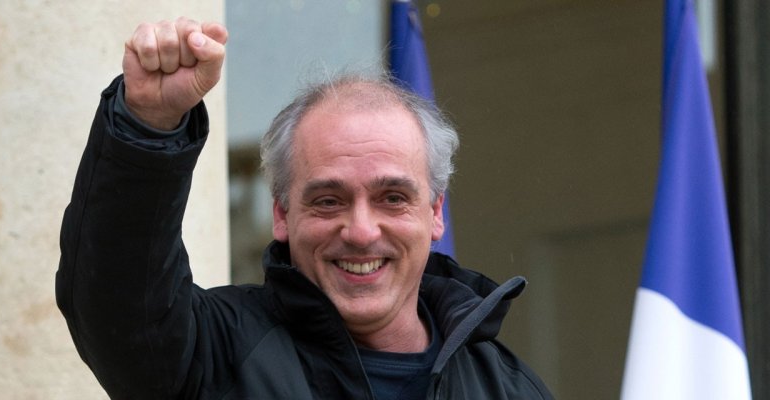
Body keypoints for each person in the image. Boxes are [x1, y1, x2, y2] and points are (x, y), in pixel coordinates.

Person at [56, 17, 554, 399]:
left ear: (435, 212)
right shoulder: (213, 354)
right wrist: (148, 125)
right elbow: (118, 304)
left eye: (392, 198)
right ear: (281, 214)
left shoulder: (508, 388)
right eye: (328, 201)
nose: (361, 231)